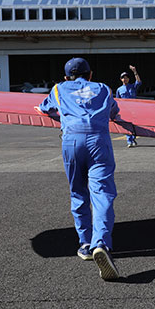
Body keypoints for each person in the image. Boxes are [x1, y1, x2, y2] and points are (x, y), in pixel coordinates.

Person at [36, 57, 121, 280]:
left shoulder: (58, 89)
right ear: (91, 74)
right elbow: (114, 111)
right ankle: (101, 243)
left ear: (66, 77)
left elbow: (45, 108)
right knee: (102, 194)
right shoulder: (103, 88)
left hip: (72, 140)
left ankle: (85, 243)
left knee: (78, 192)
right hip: (99, 141)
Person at [116, 65, 142, 147]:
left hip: (133, 109)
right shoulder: (119, 90)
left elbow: (139, 82)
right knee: (126, 126)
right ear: (121, 79)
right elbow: (117, 101)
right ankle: (129, 141)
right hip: (124, 110)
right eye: (123, 78)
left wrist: (135, 72)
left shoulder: (132, 87)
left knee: (134, 125)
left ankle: (133, 138)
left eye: (127, 77)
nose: (125, 79)